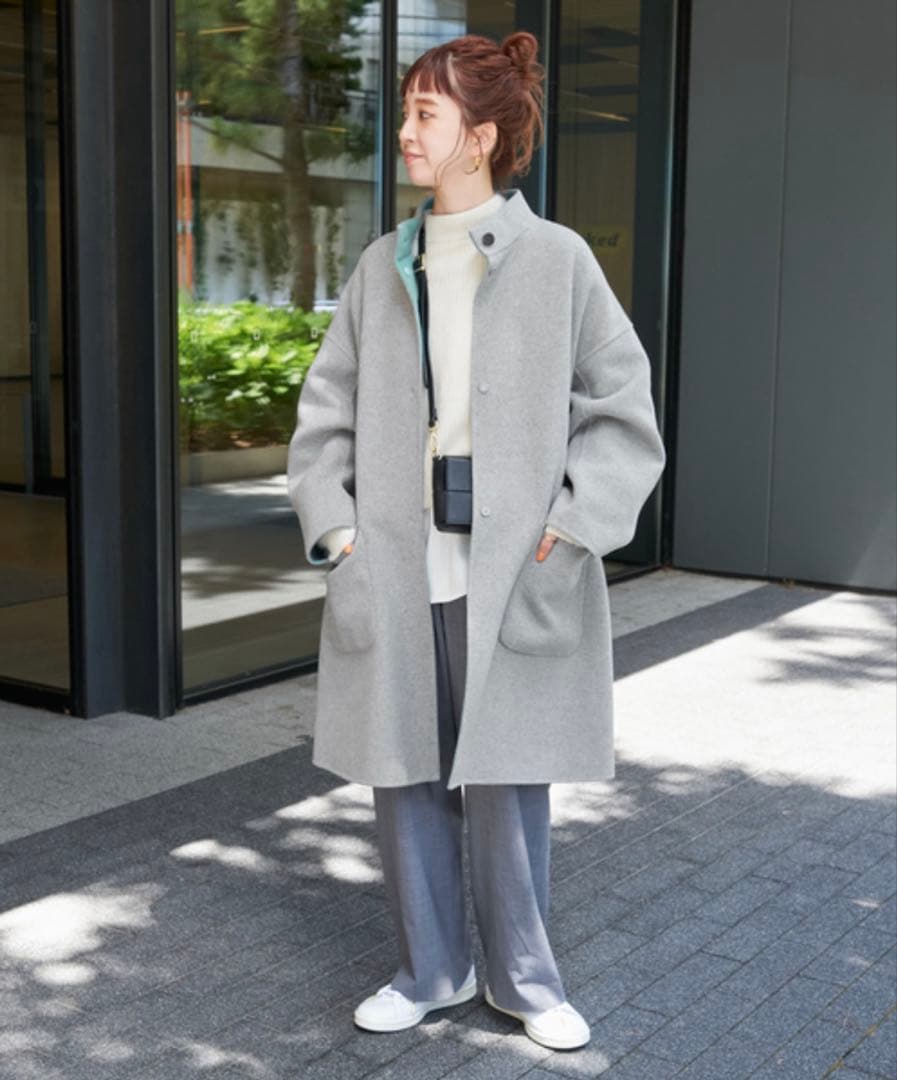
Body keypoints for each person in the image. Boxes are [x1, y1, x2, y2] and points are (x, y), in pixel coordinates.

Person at [287, 31, 666, 1052]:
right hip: (394, 566)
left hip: (511, 570)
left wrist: (572, 528)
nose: (406, 131)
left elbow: (624, 412)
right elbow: (322, 418)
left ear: (482, 136)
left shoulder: (557, 261)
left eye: (426, 113)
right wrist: (339, 534)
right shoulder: (381, 266)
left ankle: (526, 981)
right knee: (402, 774)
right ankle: (431, 969)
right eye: (407, 111)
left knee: (506, 778)